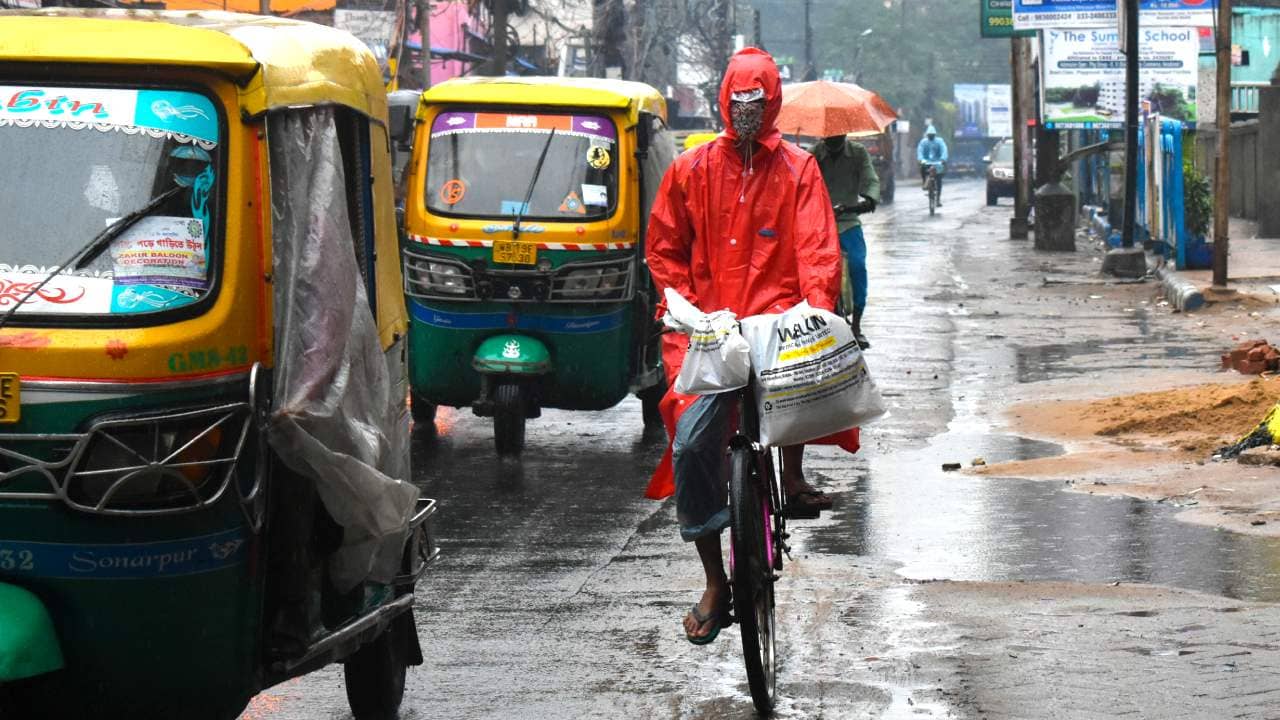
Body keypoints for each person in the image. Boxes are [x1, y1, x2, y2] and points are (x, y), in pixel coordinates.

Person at [645, 47, 861, 646]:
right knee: (691, 445)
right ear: (723, 103)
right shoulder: (690, 170)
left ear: (770, 106)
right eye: (736, 104)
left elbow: (818, 249)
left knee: (799, 402)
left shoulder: (798, 170)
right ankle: (715, 579)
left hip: (778, 333)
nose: (744, 116)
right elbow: (664, 248)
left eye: (754, 105)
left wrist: (814, 312)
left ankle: (790, 477)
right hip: (711, 337)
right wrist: (683, 305)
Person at [811, 135, 879, 349]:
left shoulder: (858, 153)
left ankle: (857, 326)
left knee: (858, 267)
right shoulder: (813, 155)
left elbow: (870, 181)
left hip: (849, 221)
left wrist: (868, 200)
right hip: (818, 224)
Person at [916, 125, 949, 205]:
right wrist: (920, 159)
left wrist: (943, 159)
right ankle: (924, 182)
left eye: (932, 135)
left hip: (938, 163)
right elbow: (920, 151)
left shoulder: (939, 141)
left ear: (935, 135)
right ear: (927, 135)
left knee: (939, 180)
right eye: (929, 135)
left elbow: (944, 150)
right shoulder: (923, 142)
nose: (931, 136)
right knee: (922, 170)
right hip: (926, 162)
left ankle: (938, 199)